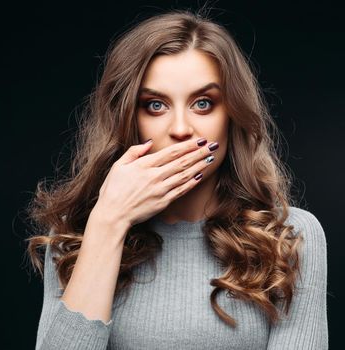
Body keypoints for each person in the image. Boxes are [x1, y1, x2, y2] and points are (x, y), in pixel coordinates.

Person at [25, 7, 328, 350]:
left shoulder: (289, 237)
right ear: (128, 119)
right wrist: (109, 223)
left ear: (232, 115)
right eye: (155, 105)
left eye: (203, 103)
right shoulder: (78, 232)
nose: (181, 130)